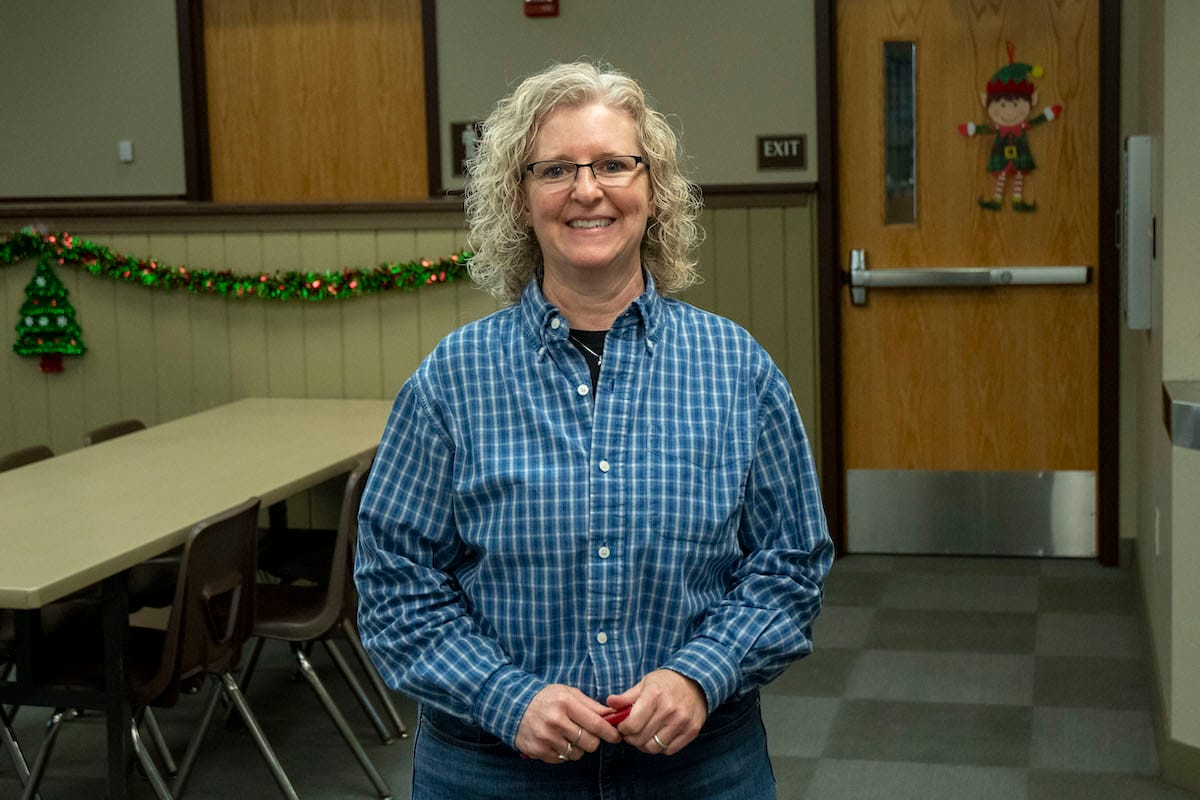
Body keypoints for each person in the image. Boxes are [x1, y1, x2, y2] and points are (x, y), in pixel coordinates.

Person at [355, 61, 833, 800]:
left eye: (614, 164)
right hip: (492, 769)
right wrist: (505, 697)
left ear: (654, 190)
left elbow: (792, 559)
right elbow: (394, 582)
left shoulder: (737, 369)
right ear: (519, 197)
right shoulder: (454, 379)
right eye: (556, 169)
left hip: (700, 767)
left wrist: (700, 675)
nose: (587, 190)